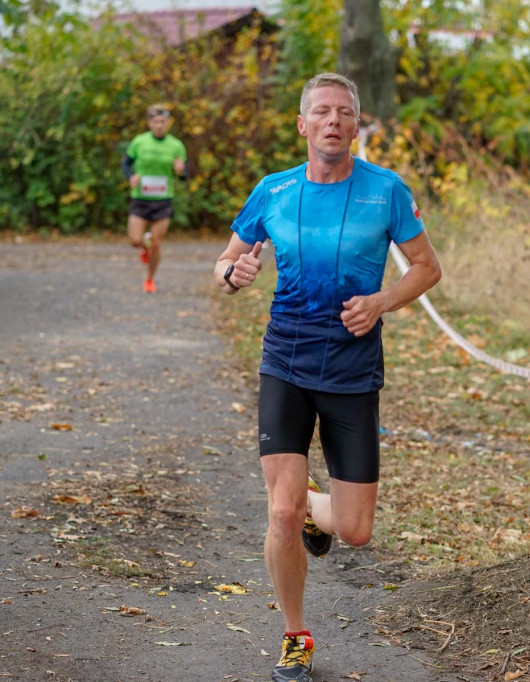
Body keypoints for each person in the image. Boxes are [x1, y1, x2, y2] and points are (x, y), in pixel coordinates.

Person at [213, 73, 441, 682]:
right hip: (285, 362)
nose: (333, 121)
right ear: (303, 124)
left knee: (357, 530)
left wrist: (382, 301)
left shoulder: (386, 191)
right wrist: (232, 275)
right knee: (281, 513)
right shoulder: (274, 190)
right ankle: (295, 636)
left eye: (344, 112)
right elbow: (226, 260)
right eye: (321, 111)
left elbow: (426, 267)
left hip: (352, 369)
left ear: (357, 126)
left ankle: (319, 507)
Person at [123, 104, 187, 293]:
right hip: (140, 198)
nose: (159, 125)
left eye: (163, 121)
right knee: (134, 240)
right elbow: (126, 164)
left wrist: (180, 170)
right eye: (156, 121)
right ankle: (144, 246)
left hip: (163, 199)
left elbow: (184, 175)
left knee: (157, 243)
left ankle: (149, 279)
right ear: (149, 123)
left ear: (168, 123)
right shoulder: (139, 142)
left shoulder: (176, 145)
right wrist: (130, 177)